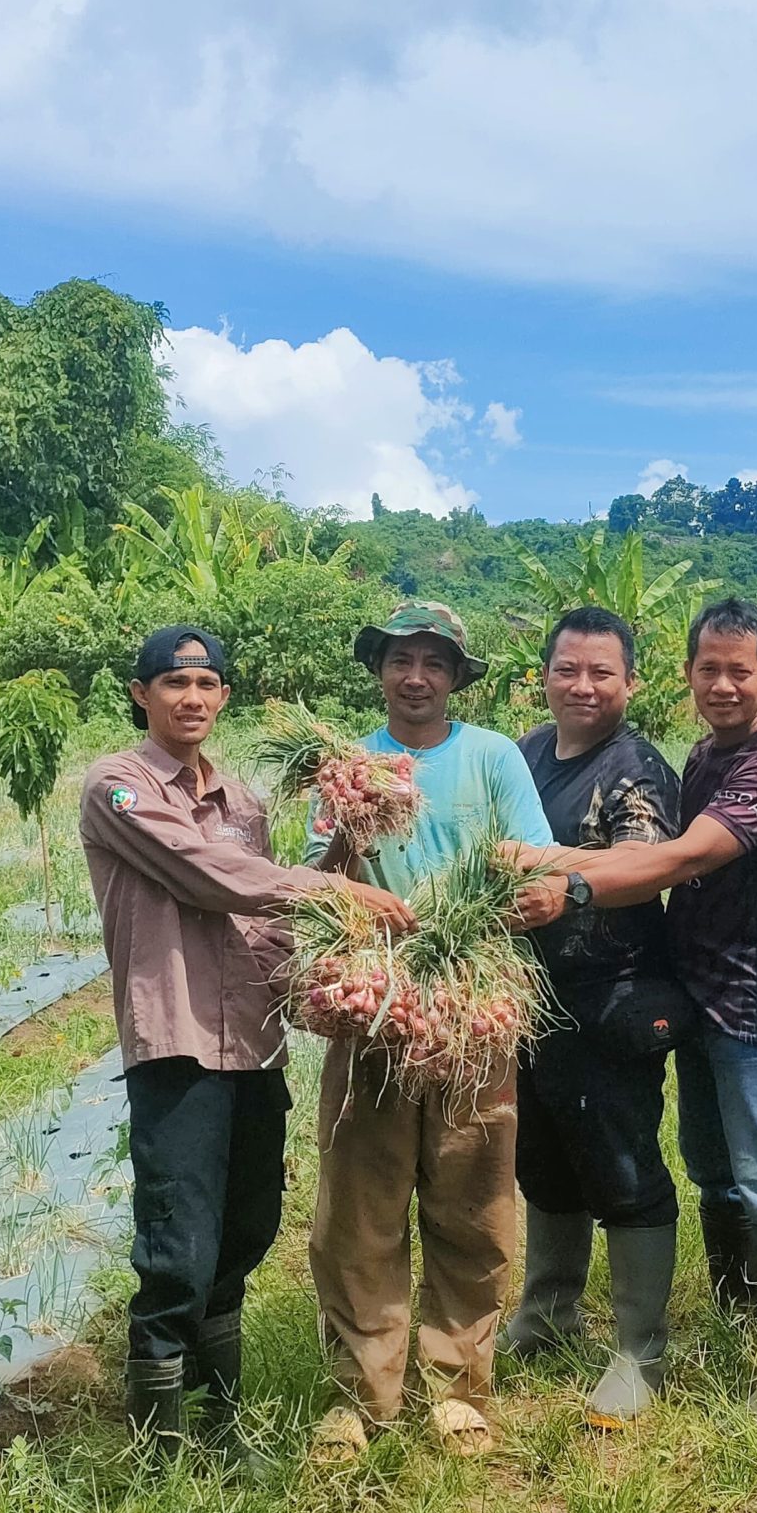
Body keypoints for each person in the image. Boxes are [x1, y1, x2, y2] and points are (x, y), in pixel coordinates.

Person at [78, 626, 412, 1453]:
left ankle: (218, 1419)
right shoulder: (118, 787)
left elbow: (261, 922)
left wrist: (316, 972)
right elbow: (205, 873)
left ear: (224, 696)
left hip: (251, 1043)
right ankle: (158, 1440)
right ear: (141, 694)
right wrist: (324, 884)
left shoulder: (244, 802)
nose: (192, 697)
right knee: (178, 1242)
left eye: (207, 683)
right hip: (179, 1040)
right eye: (174, 683)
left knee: (250, 1225)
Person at [520, 597, 757, 1421]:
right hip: (696, 997)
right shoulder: (706, 755)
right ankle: (737, 1321)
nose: (723, 684)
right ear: (688, 674)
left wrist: (565, 879)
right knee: (715, 1174)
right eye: (709, 669)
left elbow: (680, 857)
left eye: (740, 670)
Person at [306, 601, 553, 1459]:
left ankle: (459, 1388)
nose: (416, 677)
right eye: (401, 659)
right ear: (380, 669)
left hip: (470, 1006)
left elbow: (535, 862)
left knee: (471, 1202)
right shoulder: (346, 765)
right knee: (359, 1209)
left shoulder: (492, 758)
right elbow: (314, 884)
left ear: (455, 678)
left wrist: (511, 901)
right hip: (376, 1007)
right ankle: (361, 1394)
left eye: (434, 663)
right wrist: (347, 837)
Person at [501, 607, 688, 1429]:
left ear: (630, 682)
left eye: (601, 672)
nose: (583, 685)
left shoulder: (634, 766)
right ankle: (548, 1314)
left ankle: (641, 1349)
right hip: (528, 996)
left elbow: (645, 868)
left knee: (619, 1163)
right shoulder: (527, 754)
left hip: (610, 997)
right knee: (543, 1159)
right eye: (567, 669)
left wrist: (547, 870)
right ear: (542, 674)